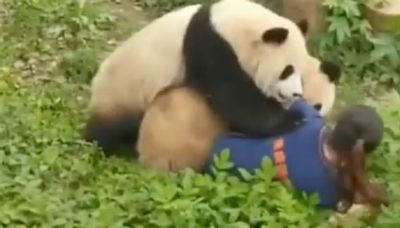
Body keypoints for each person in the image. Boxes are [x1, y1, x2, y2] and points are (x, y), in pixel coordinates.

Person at [204, 98, 388, 213]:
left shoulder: (311, 121)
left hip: (225, 145)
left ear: (337, 124)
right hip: (221, 176)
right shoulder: (328, 189)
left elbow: (295, 101)